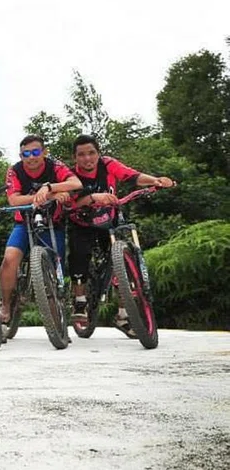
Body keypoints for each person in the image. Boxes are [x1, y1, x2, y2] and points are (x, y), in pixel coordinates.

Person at [67, 134, 175, 335]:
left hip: (109, 220)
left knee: (123, 264)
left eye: (91, 153)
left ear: (99, 153)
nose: (87, 158)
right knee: (79, 256)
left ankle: (123, 314)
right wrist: (93, 197)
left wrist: (156, 180)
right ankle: (80, 301)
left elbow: (132, 176)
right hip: (82, 223)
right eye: (81, 155)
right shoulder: (71, 175)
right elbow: (70, 202)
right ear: (75, 158)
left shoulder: (108, 165)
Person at [0, 134, 82, 325]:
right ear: (21, 156)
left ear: (44, 152)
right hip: (24, 222)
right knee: (9, 259)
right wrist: (50, 195)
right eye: (26, 154)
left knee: (54, 267)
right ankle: (5, 305)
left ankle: (56, 318)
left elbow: (76, 183)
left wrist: (49, 187)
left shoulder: (55, 166)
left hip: (53, 222)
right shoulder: (15, 171)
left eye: (36, 152)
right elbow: (14, 200)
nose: (31, 157)